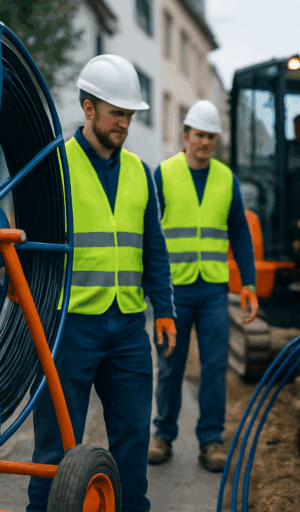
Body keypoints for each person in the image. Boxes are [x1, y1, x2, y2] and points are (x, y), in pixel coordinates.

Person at [27, 54, 177, 512]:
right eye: (117, 114)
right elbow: (29, 244)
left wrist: (164, 310)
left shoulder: (140, 172)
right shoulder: (54, 165)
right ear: (89, 109)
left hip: (128, 327)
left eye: (130, 115)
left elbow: (154, 248)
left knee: (132, 441)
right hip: (68, 324)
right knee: (56, 446)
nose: (125, 124)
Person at [148, 100, 258, 472]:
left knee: (214, 366)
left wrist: (249, 283)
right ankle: (163, 434)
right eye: (199, 135)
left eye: (211, 136)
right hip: (174, 290)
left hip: (213, 289)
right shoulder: (164, 175)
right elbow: (149, 232)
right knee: (169, 364)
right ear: (186, 136)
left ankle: (211, 441)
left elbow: (240, 233)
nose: (205, 142)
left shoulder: (226, 179)